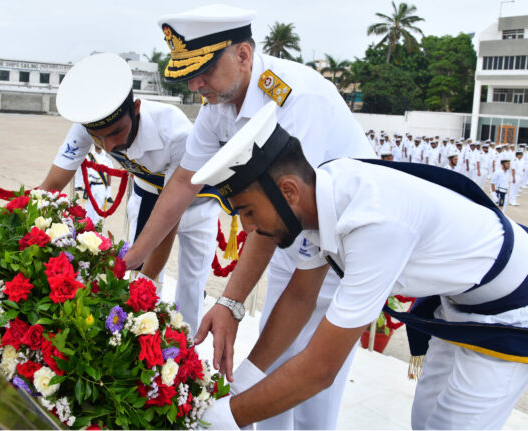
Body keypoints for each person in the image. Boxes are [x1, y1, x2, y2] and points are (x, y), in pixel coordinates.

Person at [194, 101, 528, 430]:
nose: (249, 228)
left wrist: (225, 417)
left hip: (507, 312)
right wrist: (243, 382)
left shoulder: (372, 224)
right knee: (426, 420)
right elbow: (299, 297)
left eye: (248, 212)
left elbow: (321, 369)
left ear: (288, 191)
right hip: (456, 302)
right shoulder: (322, 194)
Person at [123, 5, 375, 429]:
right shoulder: (217, 104)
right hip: (290, 247)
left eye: (203, 68)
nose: (194, 82)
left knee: (313, 390)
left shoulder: (296, 99)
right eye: (187, 72)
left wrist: (231, 301)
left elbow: (281, 211)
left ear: (243, 54)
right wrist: (132, 257)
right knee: (269, 381)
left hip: (342, 256)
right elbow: (184, 183)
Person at [39, 52, 225, 334]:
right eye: (99, 137)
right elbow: (49, 187)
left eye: (117, 131)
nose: (111, 145)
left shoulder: (176, 132)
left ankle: (184, 351)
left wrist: (141, 286)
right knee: (137, 283)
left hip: (198, 201)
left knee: (190, 286)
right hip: (149, 194)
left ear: (136, 108)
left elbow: (171, 213)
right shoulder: (87, 126)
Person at [73, 143, 113, 225]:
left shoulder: (106, 157)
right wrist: (78, 184)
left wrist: (108, 193)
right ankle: (88, 229)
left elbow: (109, 175)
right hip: (91, 186)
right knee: (89, 210)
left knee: (99, 210)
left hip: (101, 186)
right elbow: (80, 170)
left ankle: (98, 230)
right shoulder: (88, 156)